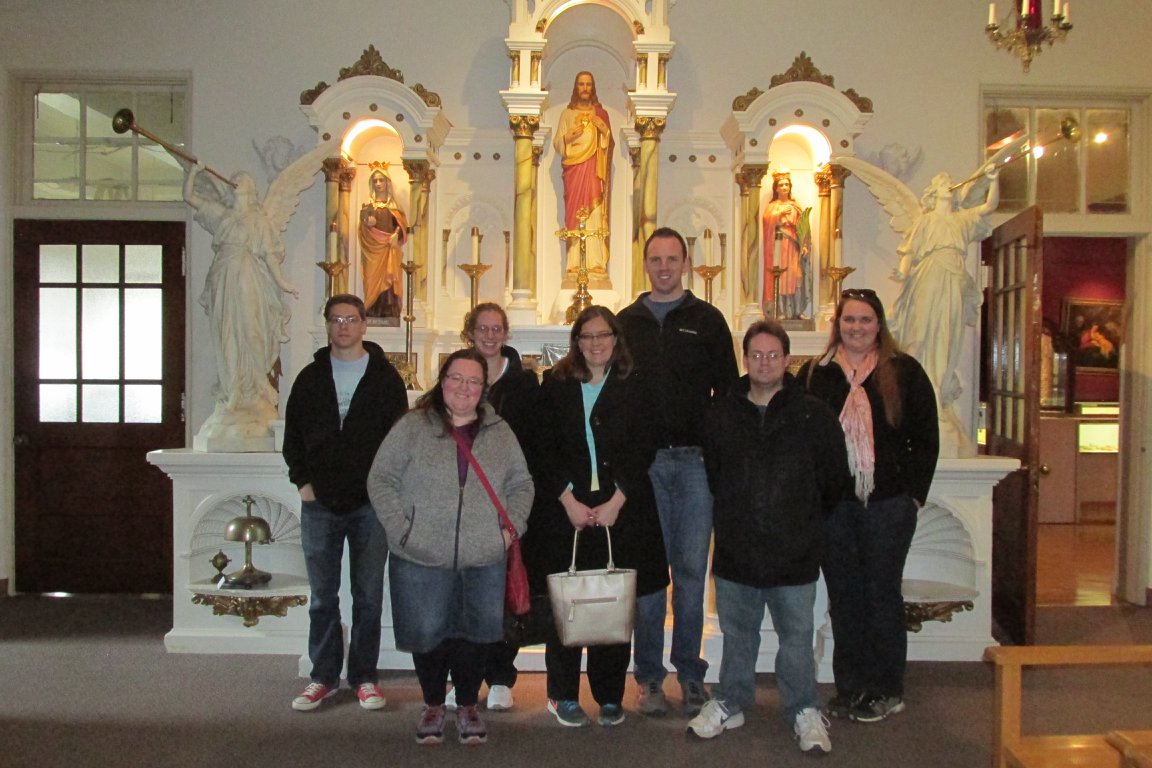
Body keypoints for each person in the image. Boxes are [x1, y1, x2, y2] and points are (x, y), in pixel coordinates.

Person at [689, 320, 850, 755]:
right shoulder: (721, 414)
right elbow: (715, 475)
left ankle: (804, 709)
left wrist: (802, 519)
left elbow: (834, 480)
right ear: (745, 359)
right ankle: (731, 701)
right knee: (737, 635)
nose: (764, 363)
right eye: (756, 355)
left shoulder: (813, 415)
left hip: (794, 550)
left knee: (796, 638)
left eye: (773, 355)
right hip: (737, 547)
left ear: (787, 359)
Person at [368, 349, 534, 745]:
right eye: (456, 378)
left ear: (483, 388)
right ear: (442, 381)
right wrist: (403, 531)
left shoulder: (500, 432)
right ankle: (432, 703)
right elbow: (380, 479)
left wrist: (508, 531)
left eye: (473, 381)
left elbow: (522, 484)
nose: (464, 387)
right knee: (428, 633)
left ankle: (467, 705)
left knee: (475, 634)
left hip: (483, 555)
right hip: (420, 554)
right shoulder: (412, 426)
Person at [799, 288, 939, 723]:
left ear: (879, 325)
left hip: (888, 505)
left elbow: (926, 438)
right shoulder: (816, 374)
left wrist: (913, 495)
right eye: (849, 320)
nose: (856, 327)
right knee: (844, 597)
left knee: (881, 594)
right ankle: (851, 687)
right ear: (837, 324)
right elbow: (803, 439)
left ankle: (886, 689)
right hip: (835, 507)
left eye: (865, 320)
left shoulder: (905, 371)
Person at [525, 306, 668, 728]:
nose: (595, 343)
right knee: (567, 605)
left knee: (611, 603)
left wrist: (617, 500)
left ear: (616, 338)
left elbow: (645, 446)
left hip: (620, 508)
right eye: (587, 336)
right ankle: (563, 695)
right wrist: (566, 499)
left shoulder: (636, 385)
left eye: (603, 335)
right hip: (566, 508)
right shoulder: (555, 384)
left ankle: (609, 695)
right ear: (576, 342)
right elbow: (541, 448)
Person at [617, 227, 739, 717]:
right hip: (644, 466)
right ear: (645, 264)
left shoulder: (708, 320)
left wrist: (716, 452)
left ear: (685, 263)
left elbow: (727, 394)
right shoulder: (626, 322)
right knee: (649, 576)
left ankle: (690, 673)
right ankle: (648, 677)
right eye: (655, 259)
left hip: (693, 464)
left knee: (690, 573)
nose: (663, 267)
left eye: (672, 259)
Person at [281, 293, 408, 713]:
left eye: (351, 319)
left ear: (364, 324)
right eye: (336, 320)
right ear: (327, 325)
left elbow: (398, 441)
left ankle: (364, 677)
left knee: (368, 595)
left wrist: (385, 489)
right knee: (322, 596)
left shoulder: (385, 379)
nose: (344, 327)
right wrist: (303, 482)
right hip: (320, 503)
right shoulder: (310, 378)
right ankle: (323, 676)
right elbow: (293, 437)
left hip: (370, 505)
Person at [182, 140, 333, 449]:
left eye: (243, 181)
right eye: (235, 180)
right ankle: (233, 391)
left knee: (251, 331)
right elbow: (190, 197)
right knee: (227, 334)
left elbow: (268, 255)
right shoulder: (222, 216)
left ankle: (253, 388)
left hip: (249, 279)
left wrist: (283, 282)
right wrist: (195, 172)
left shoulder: (259, 220)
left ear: (250, 191)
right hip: (224, 278)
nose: (238, 182)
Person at [443, 302, 540, 712]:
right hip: (464, 498)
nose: (489, 335)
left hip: (505, 499)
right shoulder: (458, 374)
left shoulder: (525, 384)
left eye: (496, 328)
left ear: (505, 333)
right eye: (482, 328)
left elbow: (535, 444)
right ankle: (463, 677)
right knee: (462, 594)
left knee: (505, 592)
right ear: (470, 332)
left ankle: (501, 675)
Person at [553, 71, 613, 280]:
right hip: (574, 171)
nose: (585, 88)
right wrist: (571, 136)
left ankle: (595, 262)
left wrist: (603, 130)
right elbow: (558, 142)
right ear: (576, 87)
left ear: (592, 88)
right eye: (581, 84)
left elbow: (608, 145)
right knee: (575, 214)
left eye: (588, 84)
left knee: (594, 212)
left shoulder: (601, 114)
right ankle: (575, 263)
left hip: (593, 171)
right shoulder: (567, 114)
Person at [358, 167, 409, 321]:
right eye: (375, 181)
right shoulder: (368, 207)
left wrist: (396, 234)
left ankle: (389, 309)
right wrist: (368, 225)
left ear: (388, 183)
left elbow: (402, 226)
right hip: (373, 251)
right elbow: (362, 231)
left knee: (390, 276)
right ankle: (373, 308)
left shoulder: (394, 207)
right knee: (372, 278)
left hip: (389, 248)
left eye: (381, 180)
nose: (378, 184)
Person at [761, 171, 811, 320]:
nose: (784, 187)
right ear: (776, 188)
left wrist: (804, 244)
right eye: (781, 185)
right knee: (782, 278)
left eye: (787, 184)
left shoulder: (795, 207)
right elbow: (767, 221)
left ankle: (797, 310)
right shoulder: (773, 206)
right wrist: (779, 213)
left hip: (793, 245)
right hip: (779, 244)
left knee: (797, 277)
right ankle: (781, 311)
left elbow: (804, 228)